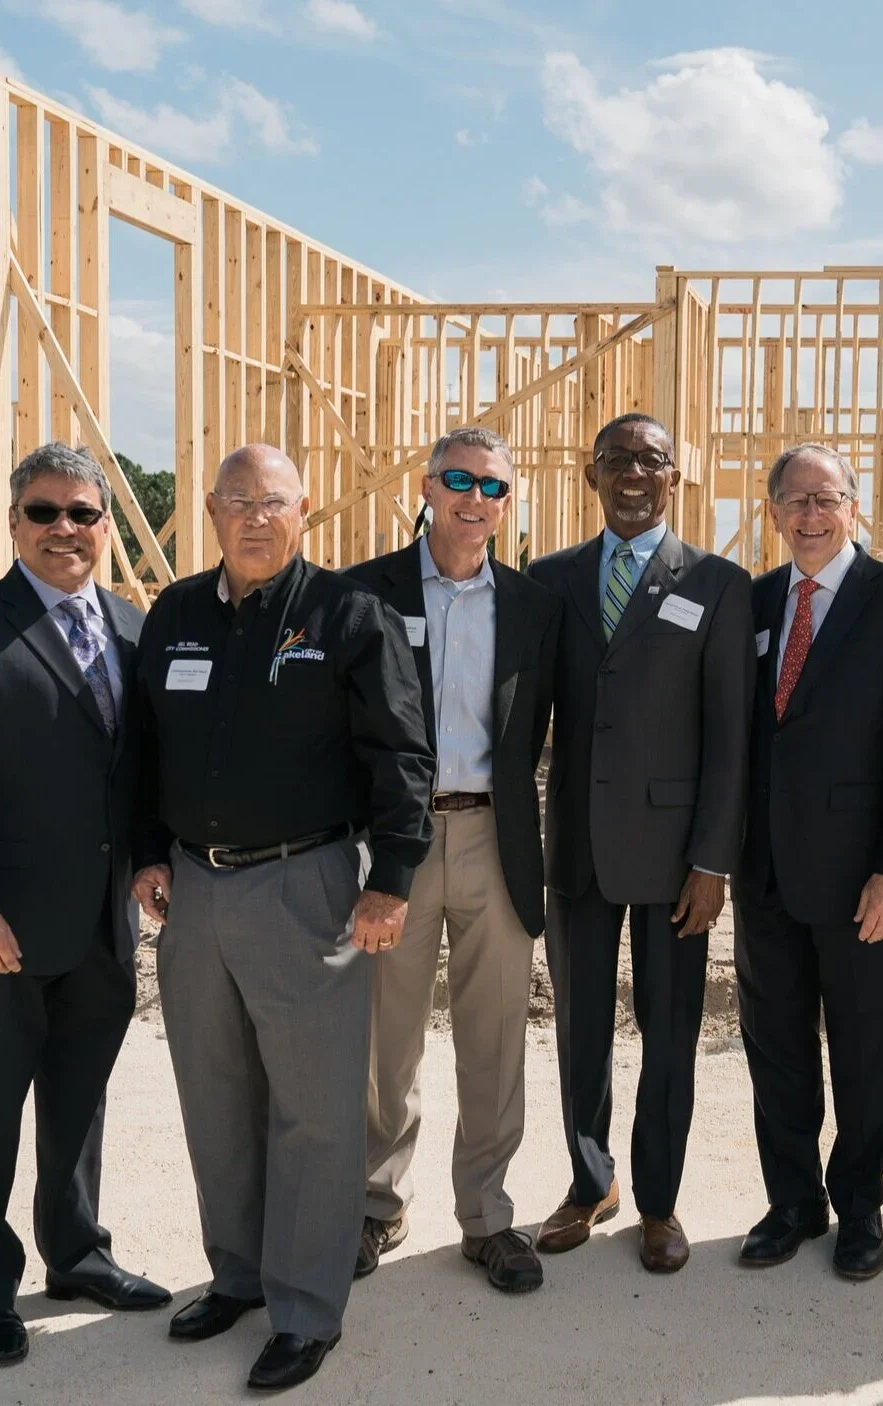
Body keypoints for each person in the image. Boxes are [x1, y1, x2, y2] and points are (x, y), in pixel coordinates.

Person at [130, 443, 434, 1392]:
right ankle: (238, 1275)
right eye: (238, 501)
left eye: (273, 502)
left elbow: (401, 757)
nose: (255, 517)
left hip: (308, 886)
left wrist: (391, 880)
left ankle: (305, 1309)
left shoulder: (349, 616)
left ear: (304, 511)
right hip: (194, 889)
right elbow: (140, 749)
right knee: (215, 1095)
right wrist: (146, 852)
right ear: (211, 511)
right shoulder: (176, 615)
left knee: (315, 1108)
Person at [0, 443, 171, 1368]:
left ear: (104, 525)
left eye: (82, 513)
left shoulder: (132, 628)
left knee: (79, 1107)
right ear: (13, 523)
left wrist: (149, 858)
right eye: (44, 512)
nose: (65, 528)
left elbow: (137, 771)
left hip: (101, 926)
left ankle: (77, 1255)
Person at [526, 412, 752, 1274]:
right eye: (615, 458)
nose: (632, 472)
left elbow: (730, 737)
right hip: (577, 850)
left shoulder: (718, 585)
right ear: (591, 475)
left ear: (673, 478)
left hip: (675, 859)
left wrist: (712, 860)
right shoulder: (550, 580)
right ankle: (591, 1182)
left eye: (650, 459)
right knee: (579, 1030)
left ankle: (658, 1201)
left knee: (669, 1035)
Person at [344, 428, 559, 1293]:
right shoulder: (364, 592)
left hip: (495, 839)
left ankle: (488, 1217)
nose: (477, 499)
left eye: (494, 487)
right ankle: (376, 1204)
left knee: (495, 1036)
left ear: (507, 504)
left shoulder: (533, 606)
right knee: (384, 1039)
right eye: (460, 481)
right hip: (394, 844)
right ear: (428, 489)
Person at [734, 443, 883, 1282]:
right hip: (764, 873)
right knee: (776, 1047)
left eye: (826, 500)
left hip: (862, 879)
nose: (811, 515)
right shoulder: (755, 601)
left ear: (853, 509)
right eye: (795, 501)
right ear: (773, 513)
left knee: (862, 1049)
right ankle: (792, 1201)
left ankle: (858, 1205)